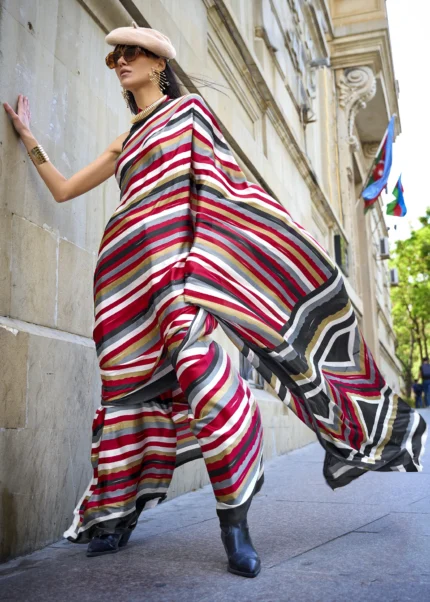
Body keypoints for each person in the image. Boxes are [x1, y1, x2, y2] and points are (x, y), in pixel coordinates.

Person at [3, 22, 427, 579]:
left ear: (159, 64)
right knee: (126, 399)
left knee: (211, 391)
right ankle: (116, 513)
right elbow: (63, 189)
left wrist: (266, 248)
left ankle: (235, 525)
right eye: (114, 59)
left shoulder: (191, 115)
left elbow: (229, 193)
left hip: (177, 282)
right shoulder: (126, 136)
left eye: (131, 53)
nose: (120, 63)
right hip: (121, 286)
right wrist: (30, 139)